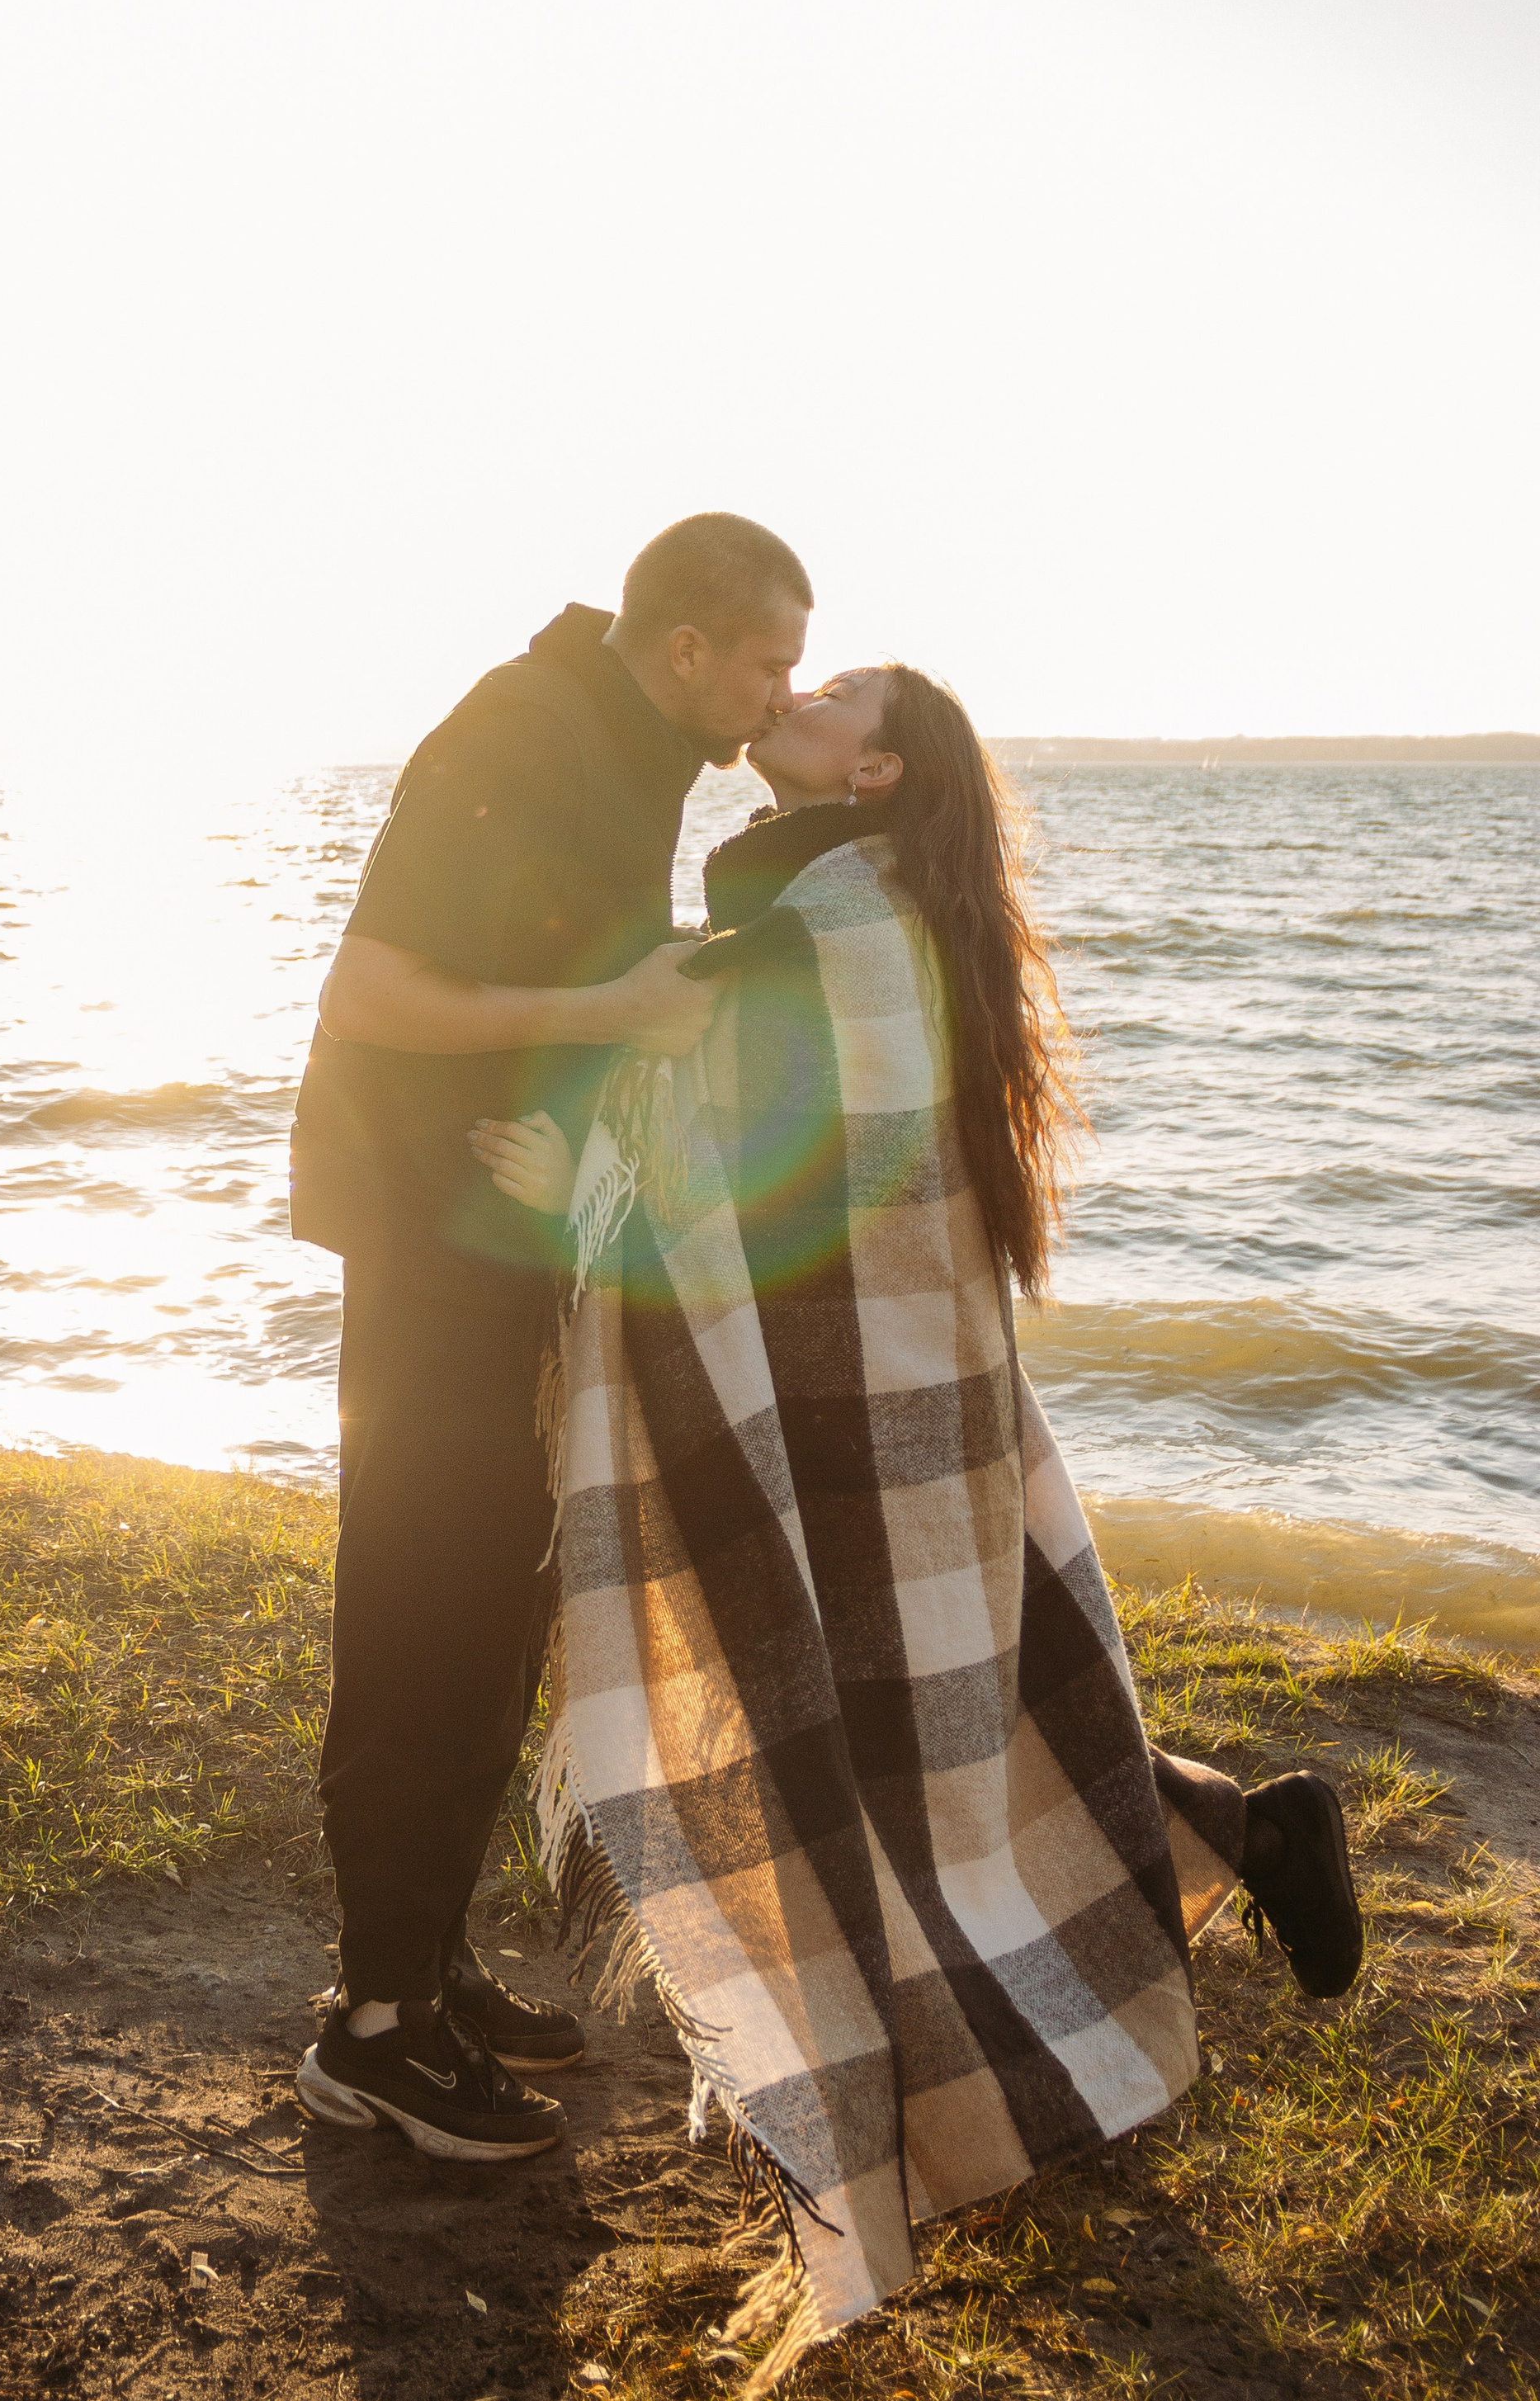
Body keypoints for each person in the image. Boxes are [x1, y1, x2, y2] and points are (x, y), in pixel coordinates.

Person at [473, 664, 1361, 2357]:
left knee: (909, 1722)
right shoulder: (845, 901)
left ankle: (945, 2051)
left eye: (831, 690)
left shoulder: (837, 922)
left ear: (871, 767)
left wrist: (588, 1197)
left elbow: (782, 1154)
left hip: (855, 1370)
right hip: (896, 1359)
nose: (791, 692)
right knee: (958, 1713)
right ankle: (1248, 1834)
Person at [288, 513, 815, 2159]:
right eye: (767, 662)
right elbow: (365, 988)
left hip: (518, 1228)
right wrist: (601, 1016)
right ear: (685, 652)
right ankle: (371, 2028)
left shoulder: (632, 736)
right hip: (431, 1228)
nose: (775, 694)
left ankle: (424, 1969)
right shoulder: (521, 728)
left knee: (499, 1606)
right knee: (420, 1600)